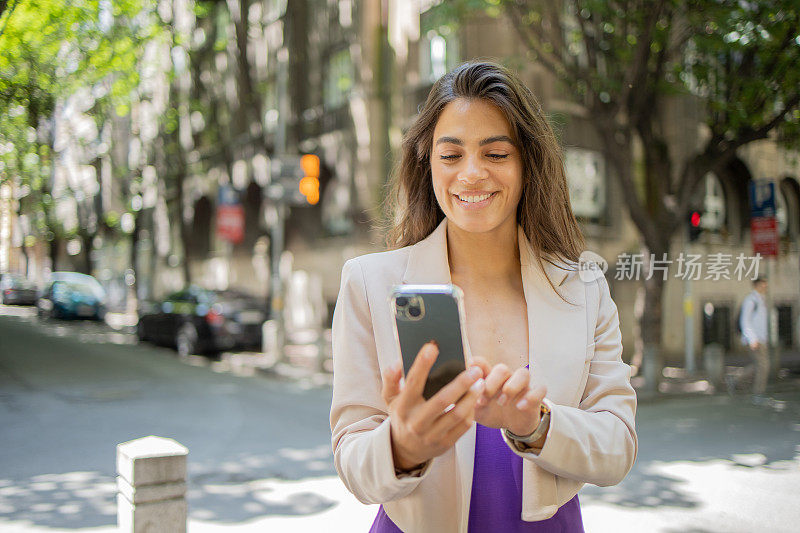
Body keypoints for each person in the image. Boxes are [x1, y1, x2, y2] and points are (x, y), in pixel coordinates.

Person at [330, 61, 638, 532]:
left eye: (495, 154)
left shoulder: (585, 288)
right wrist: (402, 446)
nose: (471, 174)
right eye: (451, 156)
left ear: (527, 163)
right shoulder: (370, 283)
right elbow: (352, 458)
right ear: (427, 163)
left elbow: (617, 448)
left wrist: (536, 424)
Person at [739, 277, 769, 401]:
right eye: (763, 284)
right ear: (756, 285)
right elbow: (745, 321)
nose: (765, 287)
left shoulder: (762, 300)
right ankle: (758, 394)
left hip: (761, 339)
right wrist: (752, 339)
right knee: (763, 366)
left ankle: (735, 380)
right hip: (755, 340)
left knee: (758, 365)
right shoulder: (751, 300)